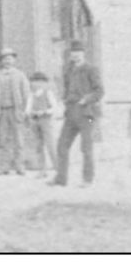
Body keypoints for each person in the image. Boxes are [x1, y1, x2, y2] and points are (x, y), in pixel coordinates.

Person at [51, 40, 104, 187]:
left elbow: (99, 91)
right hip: (71, 112)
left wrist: (86, 99)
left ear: (83, 54)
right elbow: (66, 88)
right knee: (62, 145)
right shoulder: (68, 70)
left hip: (87, 113)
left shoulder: (91, 69)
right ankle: (61, 179)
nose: (75, 55)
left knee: (86, 148)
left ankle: (87, 179)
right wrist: (64, 100)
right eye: (73, 53)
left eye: (78, 52)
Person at [0, 48, 31, 175]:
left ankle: (19, 166)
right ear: (1, 61)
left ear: (14, 60)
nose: (7, 61)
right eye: (4, 58)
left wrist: (25, 110)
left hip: (16, 111)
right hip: (2, 112)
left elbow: (26, 94)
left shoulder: (20, 75)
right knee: (3, 139)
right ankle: (4, 166)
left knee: (19, 140)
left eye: (10, 58)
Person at [27, 71, 56, 177]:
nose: (36, 84)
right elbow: (28, 107)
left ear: (45, 83)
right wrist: (30, 113)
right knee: (38, 145)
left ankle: (57, 167)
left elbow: (54, 107)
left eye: (39, 81)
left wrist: (45, 111)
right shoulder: (31, 94)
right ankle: (42, 169)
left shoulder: (47, 92)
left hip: (45, 120)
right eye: (34, 82)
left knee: (50, 144)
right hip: (35, 120)